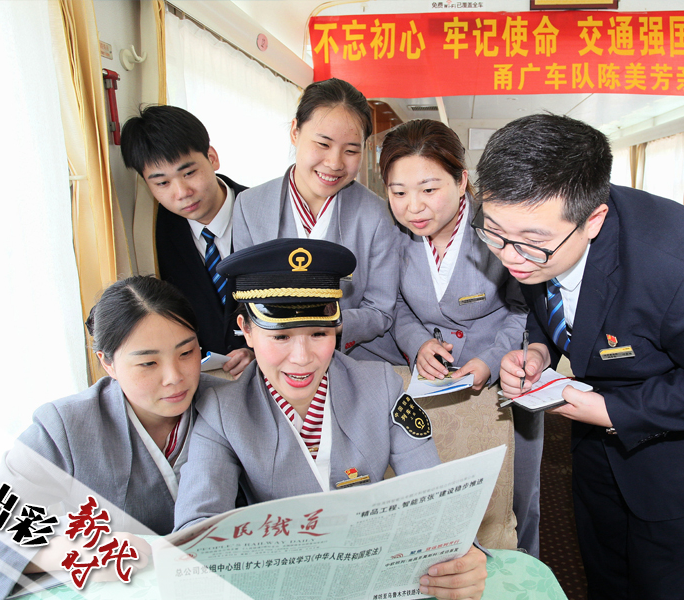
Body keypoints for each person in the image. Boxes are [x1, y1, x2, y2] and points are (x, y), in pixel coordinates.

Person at [474, 113, 684, 599]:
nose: (509, 257)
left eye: (531, 244)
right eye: (493, 233)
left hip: (675, 452)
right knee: (603, 568)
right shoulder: (532, 236)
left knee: (660, 584)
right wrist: (537, 350)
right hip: (594, 438)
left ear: (593, 220)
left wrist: (612, 410)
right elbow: (549, 303)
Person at [174, 239, 487, 600]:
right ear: (246, 329)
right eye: (281, 336)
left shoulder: (381, 385)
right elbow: (196, 528)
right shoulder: (223, 411)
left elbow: (435, 495)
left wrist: (463, 555)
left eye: (319, 333)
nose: (302, 357)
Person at [0, 276, 223, 599]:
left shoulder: (231, 403)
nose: (174, 377)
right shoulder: (68, 428)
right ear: (107, 363)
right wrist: (72, 552)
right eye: (148, 362)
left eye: (187, 352)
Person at [232, 78, 402, 362]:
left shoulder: (377, 214)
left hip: (354, 358)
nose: (335, 163)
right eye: (323, 144)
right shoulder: (250, 206)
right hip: (278, 359)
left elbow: (381, 310)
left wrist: (322, 325)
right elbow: (248, 300)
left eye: (351, 151)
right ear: (295, 132)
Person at [379, 119, 527, 389]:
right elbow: (394, 301)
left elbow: (525, 309)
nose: (414, 207)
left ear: (461, 182)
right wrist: (418, 343)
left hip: (502, 373)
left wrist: (493, 360)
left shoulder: (499, 227)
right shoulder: (390, 232)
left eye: (428, 190)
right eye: (399, 192)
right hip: (429, 379)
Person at [121, 105, 254, 377]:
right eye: (162, 183)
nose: (182, 192)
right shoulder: (152, 236)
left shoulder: (266, 212)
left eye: (189, 173)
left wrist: (258, 349)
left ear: (212, 158)